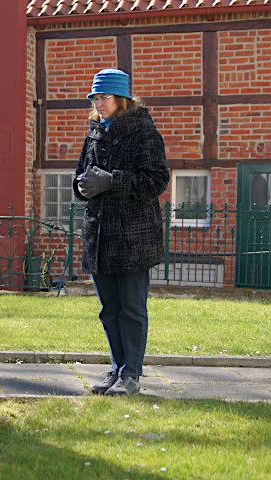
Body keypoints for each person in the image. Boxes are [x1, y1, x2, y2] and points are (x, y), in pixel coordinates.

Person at [72, 69, 169, 396]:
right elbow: (79, 176)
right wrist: (81, 186)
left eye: (105, 97)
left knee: (131, 308)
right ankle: (116, 369)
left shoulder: (144, 132)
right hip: (100, 237)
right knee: (109, 309)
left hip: (133, 238)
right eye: (95, 98)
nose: (99, 103)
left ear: (122, 99)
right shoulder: (94, 132)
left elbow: (156, 181)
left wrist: (112, 181)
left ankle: (132, 375)